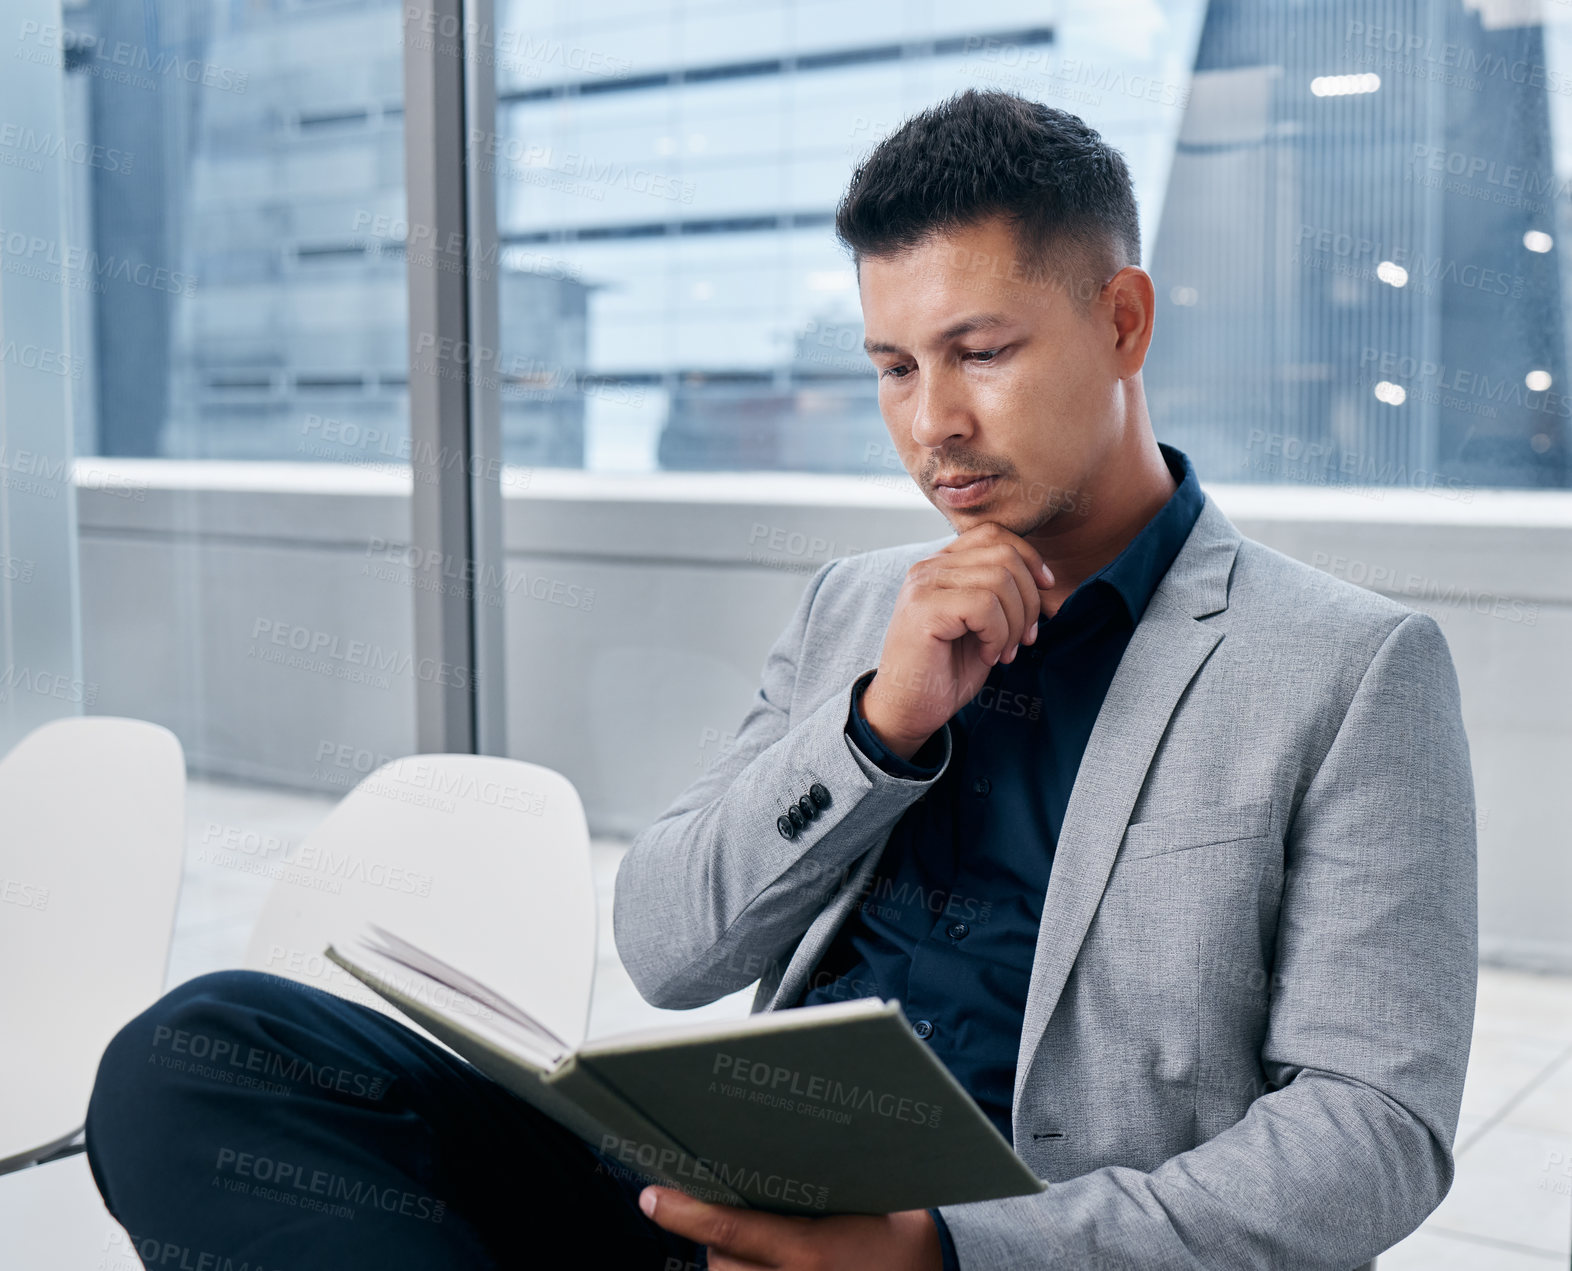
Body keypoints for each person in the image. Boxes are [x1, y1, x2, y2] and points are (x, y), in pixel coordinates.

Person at [85, 89, 1476, 1271]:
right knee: (207, 1052)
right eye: (892, 366)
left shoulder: (1348, 667)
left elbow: (1374, 1133)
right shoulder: (860, 606)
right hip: (726, 1188)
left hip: (1005, 1245)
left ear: (1121, 321)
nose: (934, 423)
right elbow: (671, 946)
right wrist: (876, 732)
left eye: (983, 353)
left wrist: (942, 1249)